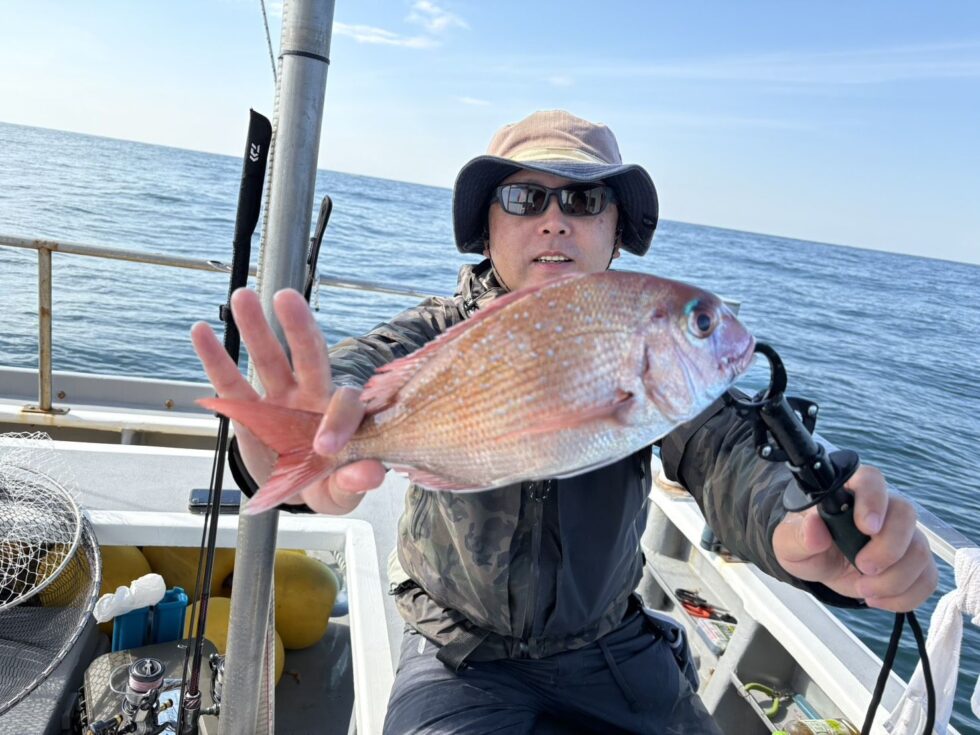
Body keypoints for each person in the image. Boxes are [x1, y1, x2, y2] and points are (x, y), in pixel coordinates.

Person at [191, 110, 938, 734]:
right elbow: (347, 386)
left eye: (584, 201)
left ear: (616, 231)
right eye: (525, 198)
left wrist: (803, 530)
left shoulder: (640, 343)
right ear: (489, 228)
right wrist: (290, 446)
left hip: (610, 647)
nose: (554, 220)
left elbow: (728, 452)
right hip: (458, 653)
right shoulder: (435, 334)